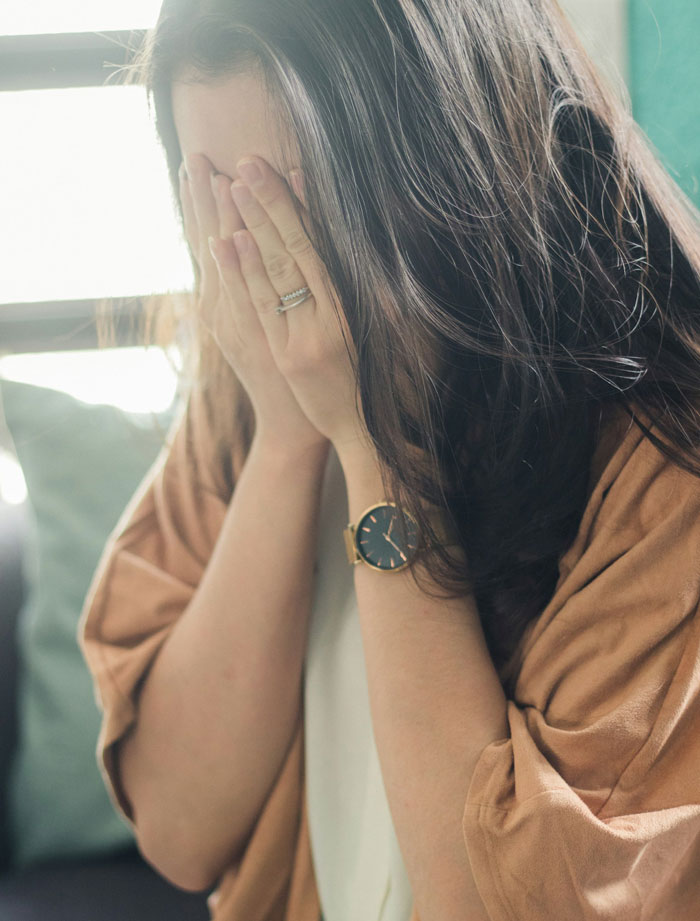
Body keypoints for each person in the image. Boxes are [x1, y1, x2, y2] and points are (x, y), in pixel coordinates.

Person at [78, 1, 700, 918]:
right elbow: (179, 827)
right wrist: (289, 440)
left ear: (449, 168)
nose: (259, 261)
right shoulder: (248, 385)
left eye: (292, 200)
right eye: (217, 199)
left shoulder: (659, 470)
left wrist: (378, 449)